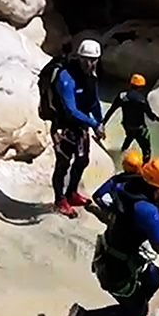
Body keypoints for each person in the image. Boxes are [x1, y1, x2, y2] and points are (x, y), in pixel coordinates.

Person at [62, 157, 159, 316]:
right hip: (116, 269)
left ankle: (135, 310)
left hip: (111, 250)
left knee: (155, 278)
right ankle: (83, 315)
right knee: (137, 312)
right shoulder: (147, 211)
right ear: (156, 190)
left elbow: (101, 195)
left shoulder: (126, 184)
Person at [39, 39, 105, 217]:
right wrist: (94, 124)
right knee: (63, 164)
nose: (89, 64)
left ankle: (72, 193)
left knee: (82, 160)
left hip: (80, 126)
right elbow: (70, 109)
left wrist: (100, 120)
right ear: (79, 57)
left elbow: (94, 100)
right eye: (85, 59)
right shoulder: (65, 78)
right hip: (63, 127)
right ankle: (60, 200)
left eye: (93, 60)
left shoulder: (91, 76)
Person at [110, 73, 159, 162]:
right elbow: (149, 114)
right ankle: (144, 167)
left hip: (127, 125)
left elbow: (111, 110)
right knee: (146, 149)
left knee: (129, 137)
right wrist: (156, 118)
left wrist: (102, 124)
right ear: (141, 87)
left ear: (130, 84)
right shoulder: (141, 100)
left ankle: (121, 157)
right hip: (139, 128)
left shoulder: (122, 96)